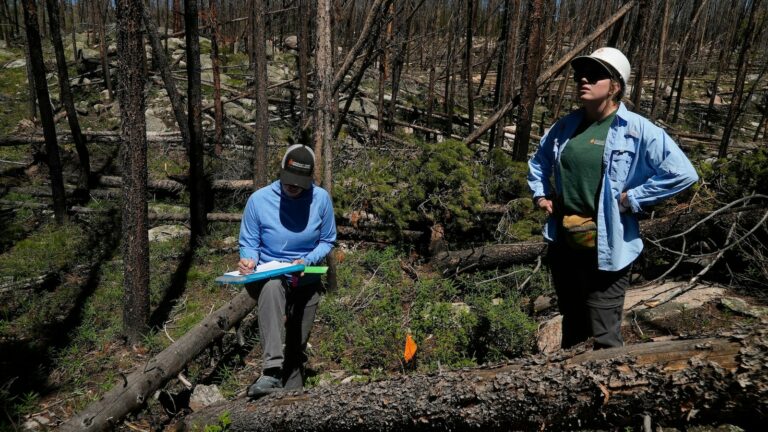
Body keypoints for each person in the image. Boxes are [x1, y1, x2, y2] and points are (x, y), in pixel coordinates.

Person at [527, 47, 698, 349]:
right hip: (565, 242)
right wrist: (541, 195)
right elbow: (539, 161)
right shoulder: (566, 126)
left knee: (605, 333)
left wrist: (633, 198)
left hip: (607, 246)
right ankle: (566, 388)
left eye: (594, 76)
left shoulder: (636, 129)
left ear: (615, 86)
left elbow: (682, 172)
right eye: (580, 75)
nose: (583, 80)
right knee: (573, 323)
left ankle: (614, 388)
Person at [238, 144, 337, 396]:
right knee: (272, 288)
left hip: (306, 276)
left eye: (299, 182)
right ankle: (271, 371)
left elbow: (327, 240)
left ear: (310, 179)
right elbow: (250, 241)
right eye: (289, 180)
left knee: (297, 343)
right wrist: (248, 260)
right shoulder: (259, 200)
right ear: (281, 171)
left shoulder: (321, 199)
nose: (292, 186)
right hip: (269, 274)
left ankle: (292, 393)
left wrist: (307, 260)